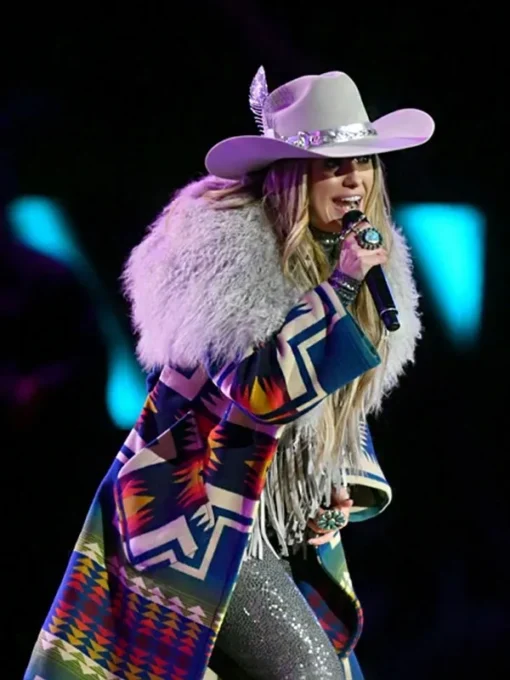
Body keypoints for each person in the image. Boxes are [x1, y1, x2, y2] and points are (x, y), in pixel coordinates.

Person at [24, 67, 434, 680]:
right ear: (294, 174)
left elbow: (333, 403)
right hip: (195, 516)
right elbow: (256, 392)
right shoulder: (225, 252)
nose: (356, 180)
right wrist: (344, 288)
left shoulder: (347, 257)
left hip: (275, 524)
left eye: (365, 162)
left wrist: (330, 478)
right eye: (334, 165)